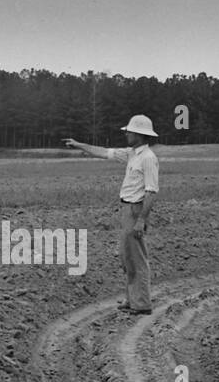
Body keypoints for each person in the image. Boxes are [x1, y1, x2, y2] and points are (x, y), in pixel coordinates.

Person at [63, 115, 159, 313]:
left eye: (130, 131)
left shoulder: (148, 158)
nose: (126, 134)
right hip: (127, 209)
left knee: (137, 258)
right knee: (127, 257)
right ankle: (132, 300)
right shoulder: (132, 154)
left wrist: (141, 220)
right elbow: (103, 152)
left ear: (140, 135)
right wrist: (79, 144)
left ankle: (142, 304)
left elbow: (151, 191)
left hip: (136, 210)